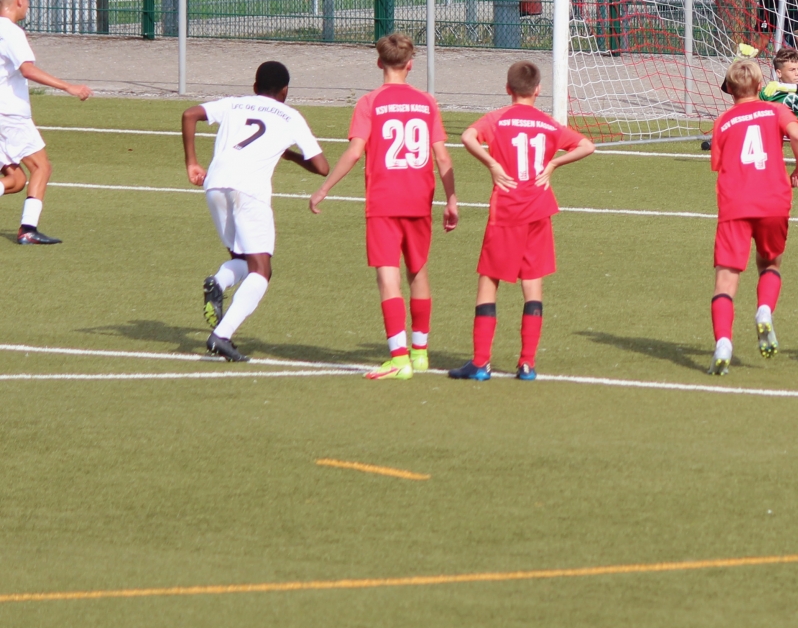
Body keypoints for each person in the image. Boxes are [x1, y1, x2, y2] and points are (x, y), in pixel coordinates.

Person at [308, 33, 459, 381]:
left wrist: (324, 188)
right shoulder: (426, 102)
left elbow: (354, 152)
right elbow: (442, 156)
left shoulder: (369, 103)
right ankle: (420, 353)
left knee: (387, 274)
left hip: (384, 200)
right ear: (410, 65)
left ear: (379, 63)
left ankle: (399, 359)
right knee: (418, 270)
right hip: (419, 198)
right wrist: (451, 199)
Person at [450, 62, 594, 381]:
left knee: (489, 282)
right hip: (539, 210)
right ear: (538, 90)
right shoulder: (548, 123)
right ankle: (527, 363)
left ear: (508, 88)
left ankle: (481, 362)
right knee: (533, 284)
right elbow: (587, 146)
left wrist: (491, 163)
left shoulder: (497, 119)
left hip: (506, 211)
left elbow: (467, 136)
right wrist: (554, 164)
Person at [185, 61, 329, 362]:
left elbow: (190, 114)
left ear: (254, 86)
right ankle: (221, 336)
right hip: (250, 191)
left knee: (242, 258)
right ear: (285, 90)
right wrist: (289, 156)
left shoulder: (234, 104)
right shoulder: (290, 116)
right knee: (262, 270)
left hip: (215, 185)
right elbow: (322, 167)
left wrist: (192, 163)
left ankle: (219, 283)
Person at [708, 56, 798, 375]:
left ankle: (724, 344)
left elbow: (720, 164)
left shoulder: (723, 121)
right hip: (773, 201)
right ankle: (764, 311)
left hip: (735, 204)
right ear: (761, 85)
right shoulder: (776, 110)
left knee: (726, 280)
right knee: (770, 264)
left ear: (729, 89)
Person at [0, 0, 93, 244]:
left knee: (16, 179)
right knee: (42, 167)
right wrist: (68, 87)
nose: (28, 5)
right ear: (19, 0)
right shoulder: (11, 32)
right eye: (27, 0)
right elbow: (27, 70)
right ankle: (28, 230)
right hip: (9, 114)